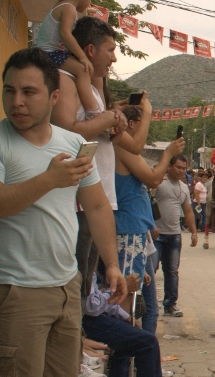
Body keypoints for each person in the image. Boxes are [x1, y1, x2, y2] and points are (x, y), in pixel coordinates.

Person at [0, 48, 127, 377]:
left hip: (65, 283)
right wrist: (48, 179)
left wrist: (110, 265)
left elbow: (97, 206)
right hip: (14, 288)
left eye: (29, 92)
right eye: (10, 91)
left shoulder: (71, 142)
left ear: (53, 95)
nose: (17, 102)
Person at [52, 17, 147, 303]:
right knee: (77, 280)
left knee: (88, 279)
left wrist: (111, 121)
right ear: (91, 50)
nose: (114, 58)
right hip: (79, 202)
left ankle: (81, 339)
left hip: (98, 201)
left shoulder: (91, 89)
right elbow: (68, 130)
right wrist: (107, 119)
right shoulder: (65, 81)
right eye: (110, 49)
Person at [82, 274, 183, 377]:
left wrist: (123, 316)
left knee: (131, 335)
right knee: (148, 343)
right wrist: (119, 291)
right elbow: (91, 306)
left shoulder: (90, 258)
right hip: (85, 319)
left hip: (90, 316)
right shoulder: (83, 257)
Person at [113, 105, 184, 312]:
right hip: (128, 229)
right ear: (132, 124)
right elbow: (153, 179)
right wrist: (168, 154)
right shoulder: (123, 147)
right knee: (128, 297)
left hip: (135, 229)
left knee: (143, 299)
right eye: (144, 123)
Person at [35, 0, 100, 114]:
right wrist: (83, 58)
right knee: (82, 69)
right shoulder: (69, 8)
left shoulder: (62, 7)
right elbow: (65, 34)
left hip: (47, 52)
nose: (89, 1)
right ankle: (92, 111)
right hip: (49, 53)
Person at [153, 155, 199, 317]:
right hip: (156, 235)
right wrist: (150, 224)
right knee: (150, 269)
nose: (181, 170)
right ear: (169, 166)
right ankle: (149, 304)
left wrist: (194, 232)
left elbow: (188, 211)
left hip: (174, 235)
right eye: (178, 167)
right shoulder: (158, 182)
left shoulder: (184, 187)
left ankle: (170, 304)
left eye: (183, 168)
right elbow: (147, 202)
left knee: (172, 271)